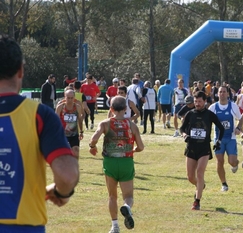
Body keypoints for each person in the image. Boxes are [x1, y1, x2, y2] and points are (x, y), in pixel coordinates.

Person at [0, 35, 79, 232]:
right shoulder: (40, 115)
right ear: (20, 70)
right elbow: (67, 176)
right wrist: (61, 192)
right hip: (23, 225)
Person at [89, 96, 144, 232]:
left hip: (110, 162)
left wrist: (92, 146)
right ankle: (127, 207)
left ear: (111, 109)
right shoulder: (132, 125)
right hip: (126, 162)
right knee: (129, 196)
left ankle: (115, 226)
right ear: (125, 109)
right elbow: (141, 147)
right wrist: (134, 149)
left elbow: (94, 138)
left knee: (112, 196)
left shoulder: (105, 124)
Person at [179, 91, 225, 210]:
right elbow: (182, 128)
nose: (197, 104)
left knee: (200, 173)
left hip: (204, 149)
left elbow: (221, 128)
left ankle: (197, 201)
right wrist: (184, 135)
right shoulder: (190, 114)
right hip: (191, 148)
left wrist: (218, 141)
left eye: (199, 101)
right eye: (195, 102)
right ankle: (201, 185)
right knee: (190, 177)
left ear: (205, 101)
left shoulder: (209, 114)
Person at [208, 86, 242, 191]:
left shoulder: (233, 106)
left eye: (224, 92)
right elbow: (207, 121)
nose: (222, 94)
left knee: (231, 161)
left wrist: (238, 128)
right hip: (218, 139)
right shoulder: (213, 107)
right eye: (220, 92)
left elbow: (240, 119)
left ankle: (235, 163)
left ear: (228, 94)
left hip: (230, 138)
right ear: (217, 94)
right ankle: (224, 184)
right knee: (220, 161)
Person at [55, 89, 84, 158]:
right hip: (62, 134)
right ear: (65, 97)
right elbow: (55, 121)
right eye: (68, 98)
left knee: (76, 152)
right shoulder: (60, 107)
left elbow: (80, 120)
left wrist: (81, 131)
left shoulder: (77, 107)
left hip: (74, 134)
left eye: (71, 98)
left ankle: (74, 168)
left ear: (74, 98)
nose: (70, 100)